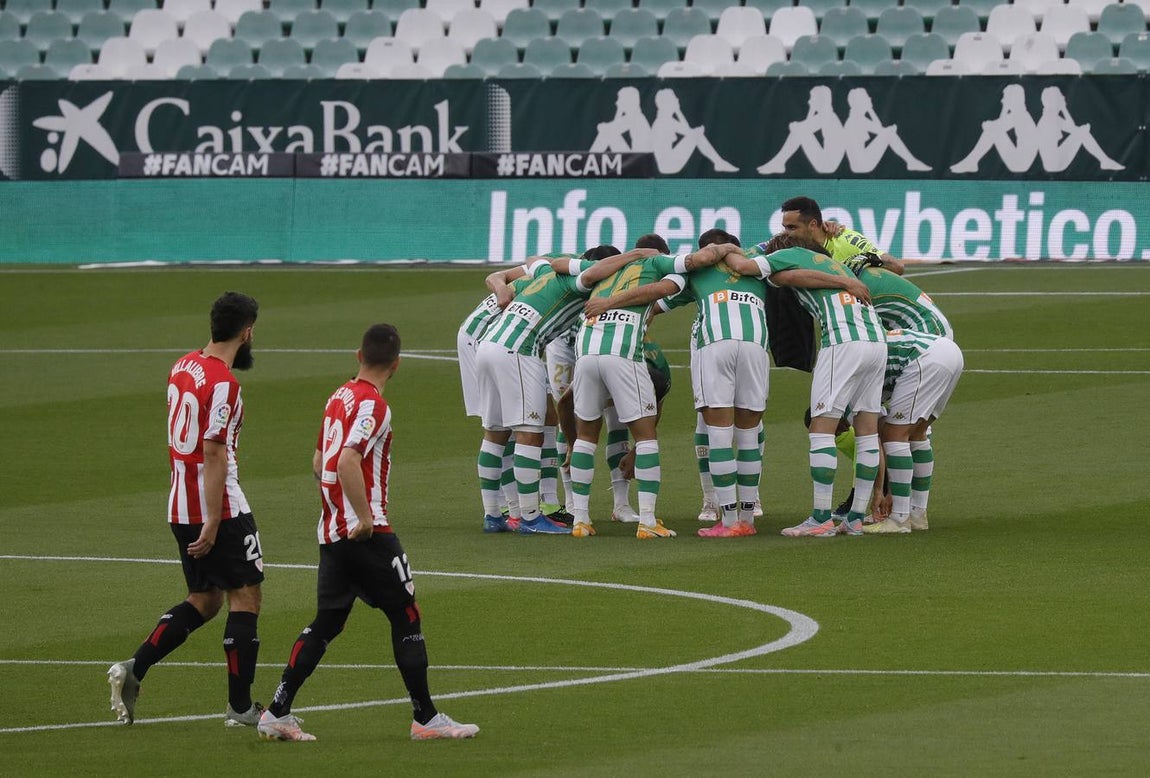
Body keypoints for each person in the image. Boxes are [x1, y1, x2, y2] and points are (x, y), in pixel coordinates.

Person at [256, 324, 479, 742]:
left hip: (331, 533)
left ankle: (277, 711)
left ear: (359, 355)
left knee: (327, 622)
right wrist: (362, 517)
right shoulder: (374, 405)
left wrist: (336, 510)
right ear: (396, 364)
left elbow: (320, 459)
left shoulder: (337, 396)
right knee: (406, 614)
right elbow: (344, 461)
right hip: (366, 533)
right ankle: (425, 718)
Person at [108, 292, 264, 727]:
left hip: (179, 504)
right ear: (246, 331)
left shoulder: (183, 365)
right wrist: (214, 519)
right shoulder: (224, 384)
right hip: (219, 506)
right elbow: (214, 452)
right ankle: (240, 707)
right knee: (245, 597)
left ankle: (134, 669)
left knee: (205, 598)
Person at [688, 234, 886, 538]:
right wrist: (844, 283)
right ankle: (856, 518)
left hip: (844, 342)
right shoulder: (836, 265)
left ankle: (821, 518)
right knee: (867, 427)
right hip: (876, 342)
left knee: (821, 428)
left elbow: (745, 265)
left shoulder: (786, 253)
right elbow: (794, 277)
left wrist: (723, 249)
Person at [476, 247, 653, 535]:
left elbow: (535, 260)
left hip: (489, 345)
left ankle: (493, 515)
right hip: (519, 348)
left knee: (494, 432)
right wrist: (634, 255)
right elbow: (592, 272)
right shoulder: (577, 280)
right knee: (530, 434)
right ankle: (531, 518)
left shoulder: (547, 272)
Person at [562, 245, 685, 539]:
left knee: (585, 439)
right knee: (645, 438)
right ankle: (648, 521)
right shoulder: (662, 272)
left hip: (587, 354)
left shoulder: (602, 279)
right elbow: (667, 285)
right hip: (622, 354)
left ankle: (580, 519)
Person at [864, 329, 964, 535]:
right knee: (918, 433)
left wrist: (878, 493)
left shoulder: (845, 402)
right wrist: (891, 491)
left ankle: (900, 518)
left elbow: (873, 441)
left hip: (925, 357)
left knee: (894, 434)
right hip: (949, 351)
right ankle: (917, 514)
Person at [780, 196, 907, 275]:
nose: (785, 233)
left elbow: (897, 267)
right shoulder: (786, 244)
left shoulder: (847, 240)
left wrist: (864, 260)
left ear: (813, 225)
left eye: (792, 227)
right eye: (784, 227)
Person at [757, 86, 845, 175]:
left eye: (812, 98)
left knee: (799, 130)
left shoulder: (826, 116)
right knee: (799, 130)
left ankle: (778, 163)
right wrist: (811, 110)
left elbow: (801, 127)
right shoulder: (827, 115)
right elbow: (806, 125)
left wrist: (797, 124)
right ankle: (778, 162)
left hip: (826, 165)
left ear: (820, 100)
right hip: (827, 163)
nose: (809, 101)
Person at [950, 84, 1038, 175]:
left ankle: (971, 162)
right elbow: (999, 124)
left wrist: (1004, 108)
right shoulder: (1020, 114)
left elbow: (996, 126)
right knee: (993, 129)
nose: (1002, 100)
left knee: (992, 130)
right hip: (1021, 162)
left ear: (1013, 99)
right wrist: (992, 124)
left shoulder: (1019, 115)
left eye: (1005, 97)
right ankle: (971, 162)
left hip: (1019, 163)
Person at [1035, 86, 1123, 173]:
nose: (1063, 97)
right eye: (1060, 96)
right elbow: (1073, 129)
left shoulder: (1052, 116)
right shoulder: (1050, 119)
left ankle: (1105, 161)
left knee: (1082, 131)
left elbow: (1071, 127)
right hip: (1054, 164)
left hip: (1053, 161)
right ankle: (1105, 161)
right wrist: (1082, 130)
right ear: (1054, 101)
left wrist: (1064, 109)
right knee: (1082, 132)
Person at [842, 88, 930, 174]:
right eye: (866, 97)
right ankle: (912, 162)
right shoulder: (857, 120)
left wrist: (870, 110)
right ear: (860, 102)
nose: (870, 98)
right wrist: (890, 130)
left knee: (888, 133)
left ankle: (911, 161)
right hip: (861, 165)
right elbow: (880, 130)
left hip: (858, 165)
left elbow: (879, 127)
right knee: (889, 133)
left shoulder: (857, 118)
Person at [650, 89, 738, 174]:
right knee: (696, 134)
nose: (677, 99)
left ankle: (719, 162)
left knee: (695, 134)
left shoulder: (665, 119)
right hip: (668, 165)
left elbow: (687, 130)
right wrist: (697, 131)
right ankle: (719, 162)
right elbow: (689, 131)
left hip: (667, 165)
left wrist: (678, 111)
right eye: (674, 98)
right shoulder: (665, 121)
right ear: (667, 103)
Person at [590, 86, 653, 154]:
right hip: (637, 157)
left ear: (627, 101)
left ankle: (588, 158)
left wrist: (619, 111)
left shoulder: (635, 117)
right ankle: (589, 157)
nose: (617, 103)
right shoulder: (636, 116)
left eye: (619, 99)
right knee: (608, 131)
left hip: (638, 159)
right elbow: (614, 127)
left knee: (606, 132)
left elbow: (610, 128)